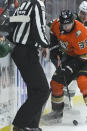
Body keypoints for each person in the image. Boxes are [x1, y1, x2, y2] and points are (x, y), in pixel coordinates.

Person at [42, 9, 87, 123]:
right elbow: (50, 30)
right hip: (72, 54)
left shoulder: (78, 32)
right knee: (56, 82)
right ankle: (57, 113)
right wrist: (54, 48)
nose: (66, 27)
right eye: (64, 24)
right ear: (60, 22)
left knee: (82, 80)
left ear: (73, 21)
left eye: (69, 24)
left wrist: (69, 68)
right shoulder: (56, 24)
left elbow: (82, 58)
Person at [7, 0, 50, 130]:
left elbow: (13, 21)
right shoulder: (38, 4)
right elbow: (38, 27)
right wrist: (46, 45)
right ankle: (19, 124)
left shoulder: (24, 4)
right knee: (42, 90)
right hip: (26, 51)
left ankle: (32, 125)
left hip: (19, 50)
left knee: (35, 90)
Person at [49, 1, 87, 109]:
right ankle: (63, 105)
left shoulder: (84, 24)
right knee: (63, 79)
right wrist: (54, 46)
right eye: (82, 13)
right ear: (79, 11)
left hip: (70, 55)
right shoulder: (71, 18)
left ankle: (66, 104)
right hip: (63, 54)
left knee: (71, 80)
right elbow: (51, 25)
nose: (84, 16)